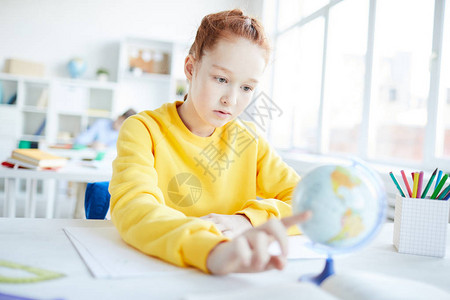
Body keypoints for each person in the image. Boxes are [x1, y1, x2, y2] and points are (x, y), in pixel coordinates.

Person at [109, 9, 310, 275]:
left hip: (230, 277)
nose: (232, 99)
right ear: (191, 68)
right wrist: (211, 249)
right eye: (221, 79)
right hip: (160, 270)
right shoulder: (143, 129)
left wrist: (247, 221)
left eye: (247, 88)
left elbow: (306, 202)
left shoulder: (248, 139)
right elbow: (134, 208)